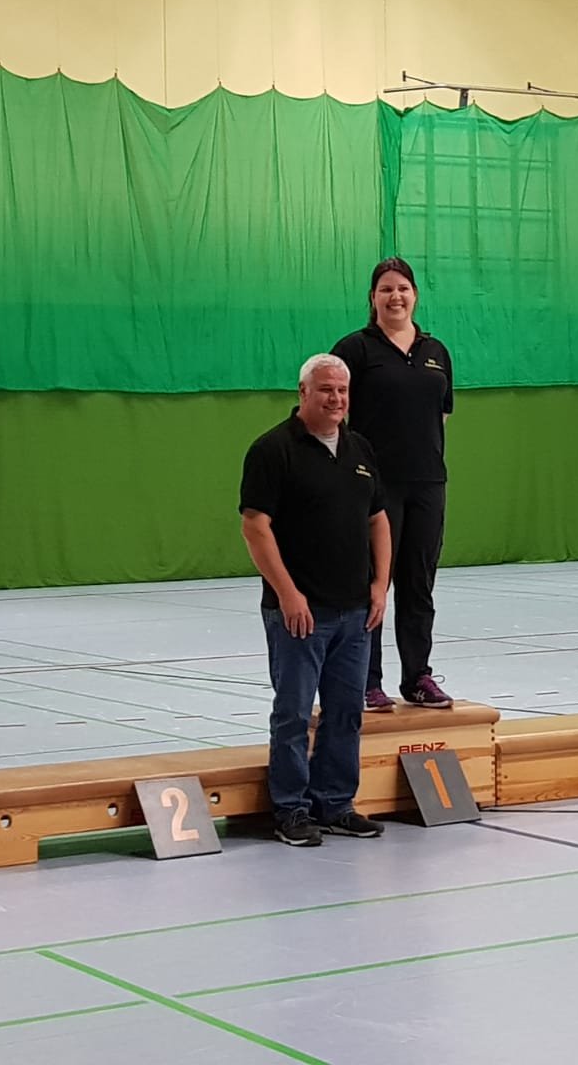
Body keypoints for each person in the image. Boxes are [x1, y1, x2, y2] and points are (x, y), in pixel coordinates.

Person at [239, 353, 392, 847]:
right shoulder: (272, 450)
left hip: (356, 613)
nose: (336, 399)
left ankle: (335, 804)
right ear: (303, 392)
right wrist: (288, 594)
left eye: (343, 391)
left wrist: (380, 586)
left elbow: (378, 519)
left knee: (346, 712)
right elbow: (255, 527)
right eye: (326, 389)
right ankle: (290, 810)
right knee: (294, 714)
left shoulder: (360, 448)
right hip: (300, 614)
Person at [332, 257, 456, 714]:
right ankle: (367, 680)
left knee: (419, 583)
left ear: (415, 295)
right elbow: (334, 414)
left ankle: (418, 677)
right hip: (375, 489)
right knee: (372, 584)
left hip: (428, 484)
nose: (395, 296)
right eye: (386, 289)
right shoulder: (355, 349)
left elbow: (441, 415)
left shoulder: (436, 351)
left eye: (402, 288)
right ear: (373, 298)